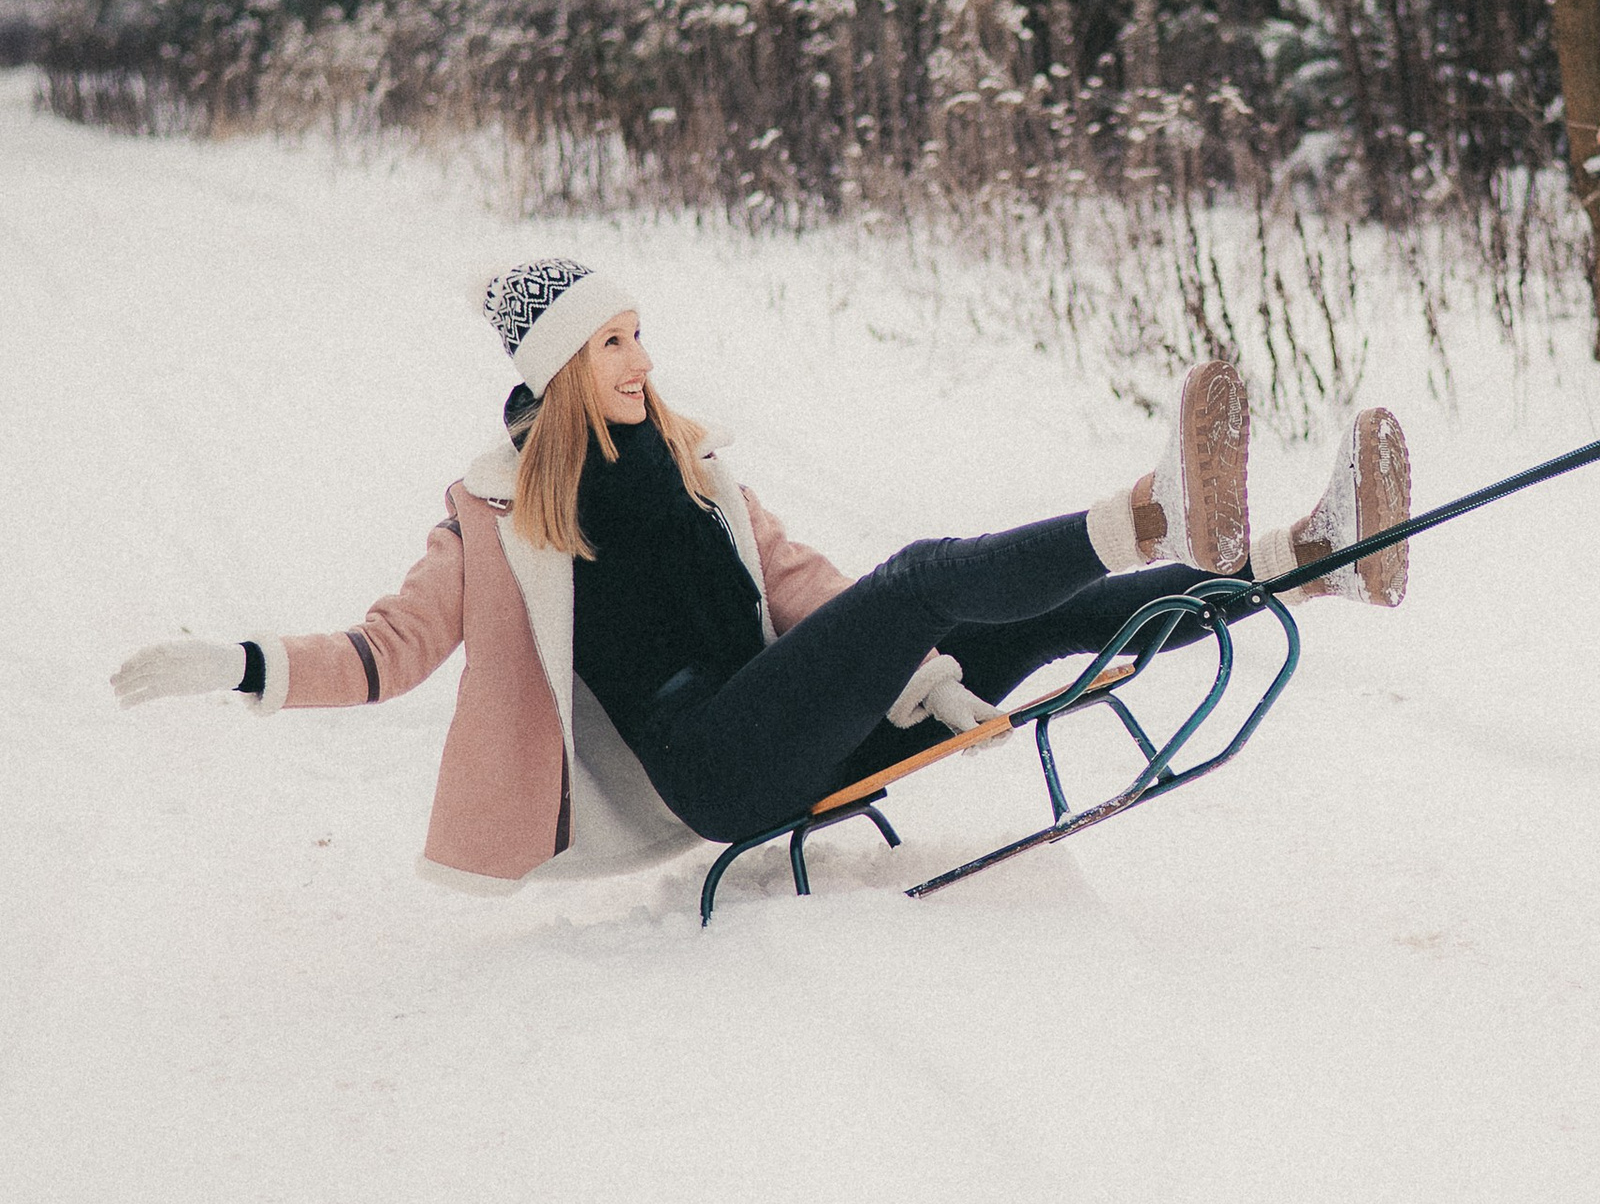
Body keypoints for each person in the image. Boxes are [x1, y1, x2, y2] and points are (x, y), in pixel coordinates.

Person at [109, 256, 1412, 893]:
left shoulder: (695, 465)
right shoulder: (499, 514)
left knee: (1026, 616)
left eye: (639, 334)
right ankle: (1156, 512)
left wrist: (923, 680)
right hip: (718, 767)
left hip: (798, 718)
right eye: (611, 343)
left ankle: (1313, 561)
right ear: (560, 369)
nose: (639, 359)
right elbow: (384, 652)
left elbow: (804, 589)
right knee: (925, 578)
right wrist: (238, 667)